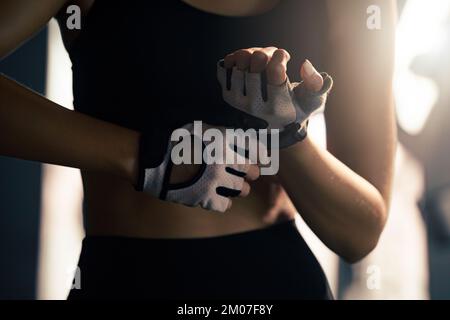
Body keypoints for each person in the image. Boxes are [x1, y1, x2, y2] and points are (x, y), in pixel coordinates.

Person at [0, 0, 397, 299]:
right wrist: (143, 156)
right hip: (125, 281)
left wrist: (285, 133)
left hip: (279, 283)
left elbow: (358, 235)